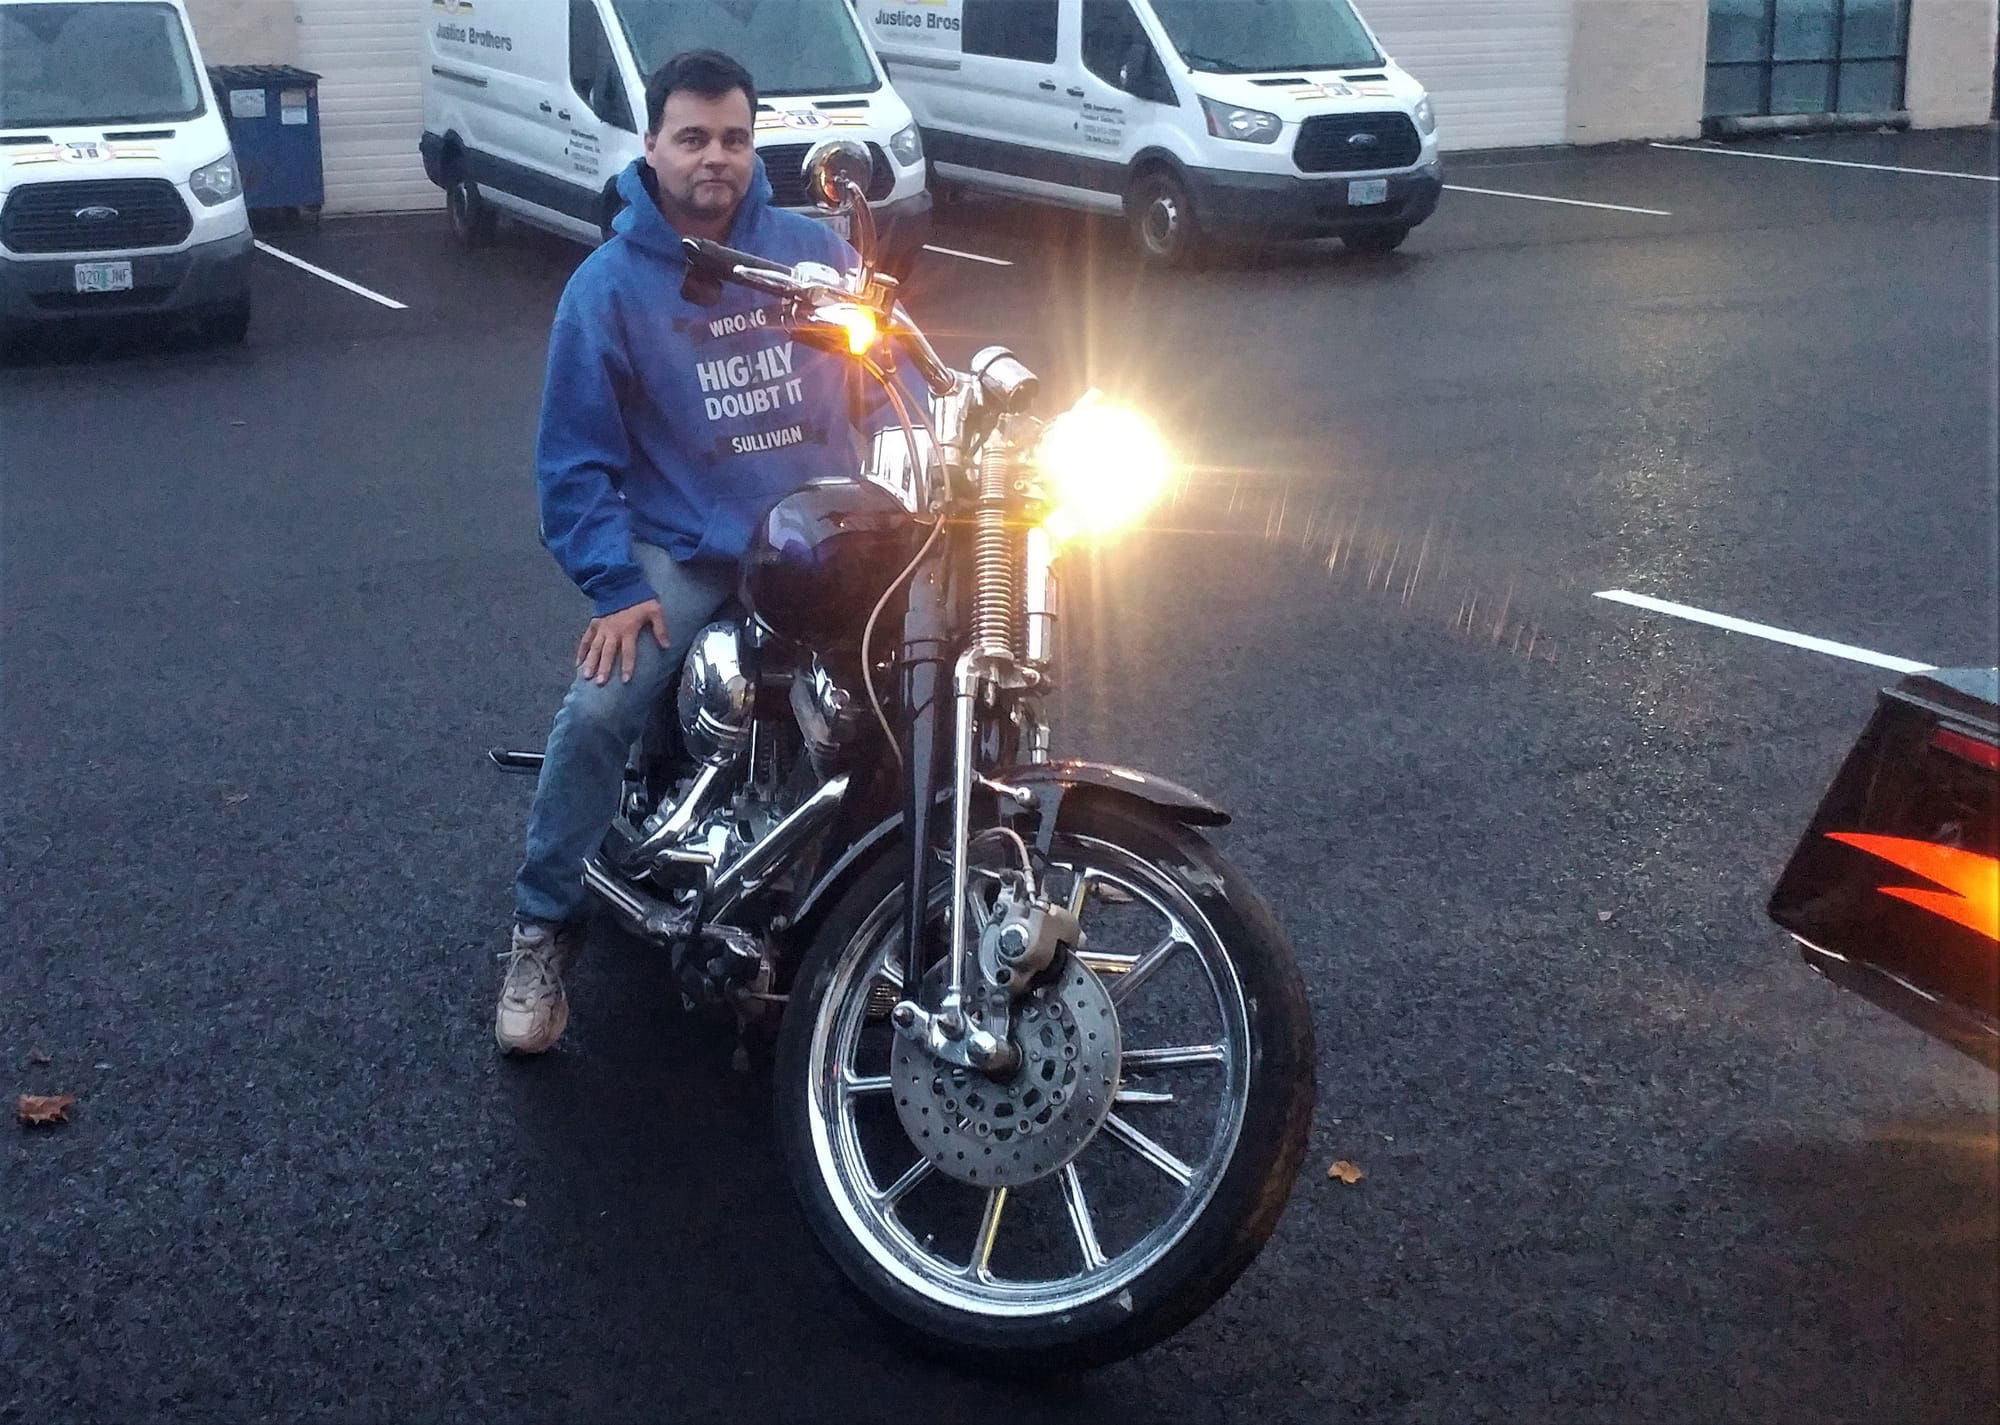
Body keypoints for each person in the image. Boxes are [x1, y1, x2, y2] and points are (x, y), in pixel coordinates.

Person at [498, 49, 878, 1055]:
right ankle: (542, 930)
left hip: (831, 538)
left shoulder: (809, 258)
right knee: (599, 709)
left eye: (735, 138)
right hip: (694, 546)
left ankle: (894, 914)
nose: (717, 158)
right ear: (651, 145)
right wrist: (613, 586)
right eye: (694, 137)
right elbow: (572, 461)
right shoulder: (609, 289)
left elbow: (890, 379)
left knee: (938, 681)